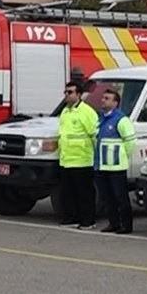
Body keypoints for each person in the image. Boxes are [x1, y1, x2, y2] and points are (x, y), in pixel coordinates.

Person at [56, 80, 98, 228]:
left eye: (70, 92)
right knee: (68, 193)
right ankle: (70, 218)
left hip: (82, 159)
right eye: (65, 92)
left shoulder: (87, 112)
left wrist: (96, 158)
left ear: (79, 94)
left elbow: (94, 135)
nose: (67, 95)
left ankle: (88, 220)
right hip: (66, 160)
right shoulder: (65, 111)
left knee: (85, 193)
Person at [94, 88, 136, 234]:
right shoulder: (100, 119)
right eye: (103, 97)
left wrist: (121, 157)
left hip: (116, 167)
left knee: (121, 198)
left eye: (107, 98)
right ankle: (113, 223)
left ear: (115, 102)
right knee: (108, 198)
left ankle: (126, 225)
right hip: (102, 166)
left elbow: (130, 142)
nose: (103, 100)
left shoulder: (121, 120)